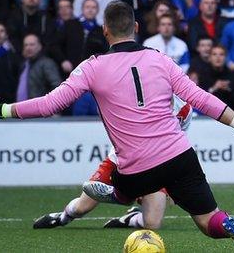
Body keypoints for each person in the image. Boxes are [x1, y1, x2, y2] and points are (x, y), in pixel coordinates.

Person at [0, 1, 234, 252]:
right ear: (136, 28)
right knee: (207, 221)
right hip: (180, 156)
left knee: (126, 182)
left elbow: (50, 104)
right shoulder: (162, 60)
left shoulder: (91, 67)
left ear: (105, 30)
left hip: (136, 167)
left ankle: (119, 194)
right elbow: (202, 99)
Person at [34, 96, 192, 228]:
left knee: (152, 224)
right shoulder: (135, 100)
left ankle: (130, 218)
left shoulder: (184, 110)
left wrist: (171, 181)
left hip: (158, 168)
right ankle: (62, 217)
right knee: (81, 209)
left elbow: (175, 144)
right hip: (122, 161)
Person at [50, 0, 108, 75]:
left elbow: (104, 53)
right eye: (87, 7)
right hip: (68, 71)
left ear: (97, 10)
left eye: (93, 7)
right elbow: (55, 45)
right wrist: (63, 60)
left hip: (89, 73)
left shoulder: (101, 31)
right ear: (82, 9)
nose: (90, 10)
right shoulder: (70, 24)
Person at [17, 34, 62, 101]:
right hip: (24, 108)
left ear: (40, 46)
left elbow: (57, 87)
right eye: (26, 45)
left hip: (41, 109)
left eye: (32, 44)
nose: (28, 48)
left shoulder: (47, 63)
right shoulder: (24, 64)